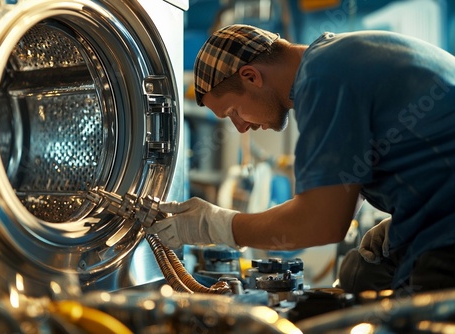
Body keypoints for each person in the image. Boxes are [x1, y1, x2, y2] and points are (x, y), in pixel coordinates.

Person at [145, 24, 455, 294]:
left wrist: (217, 227)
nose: (241, 127)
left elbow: (321, 223)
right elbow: (337, 201)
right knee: (360, 274)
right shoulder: (335, 60)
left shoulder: (324, 78)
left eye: (232, 112)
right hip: (439, 216)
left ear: (251, 77)